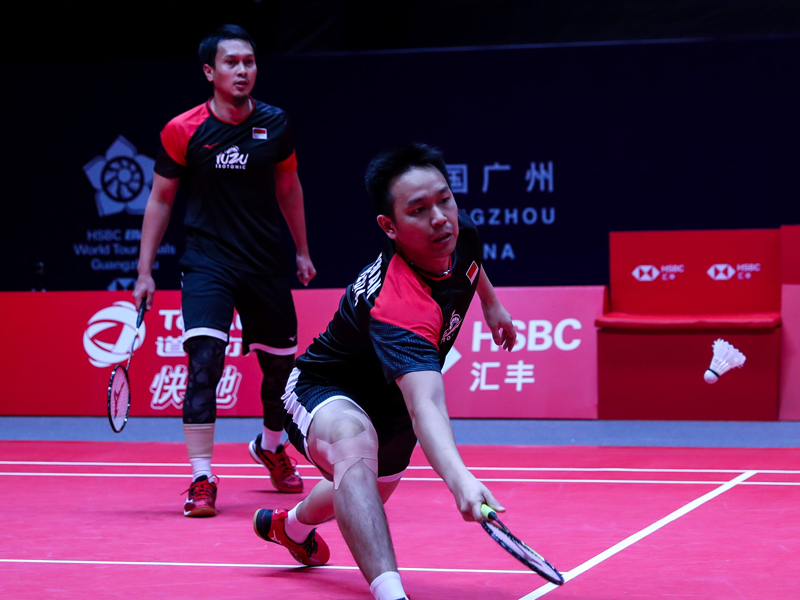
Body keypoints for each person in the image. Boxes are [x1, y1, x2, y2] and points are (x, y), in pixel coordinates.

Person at [252, 143, 516, 600]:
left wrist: (491, 305)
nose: (439, 217)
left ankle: (290, 528)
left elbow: (471, 262)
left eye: (444, 199)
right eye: (419, 210)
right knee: (354, 446)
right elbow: (427, 405)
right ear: (389, 227)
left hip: (390, 406)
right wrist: (461, 481)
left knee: (360, 490)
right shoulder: (399, 304)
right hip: (324, 387)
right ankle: (391, 593)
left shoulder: (456, 230)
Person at [133, 24, 316, 517]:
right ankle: (201, 478)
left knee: (281, 369)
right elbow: (160, 198)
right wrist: (144, 270)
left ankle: (271, 446)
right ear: (210, 72)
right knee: (205, 364)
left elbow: (290, 188)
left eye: (249, 62)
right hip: (207, 261)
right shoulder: (182, 129)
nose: (242, 70)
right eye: (232, 62)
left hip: (264, 262)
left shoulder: (276, 123)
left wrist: (301, 249)